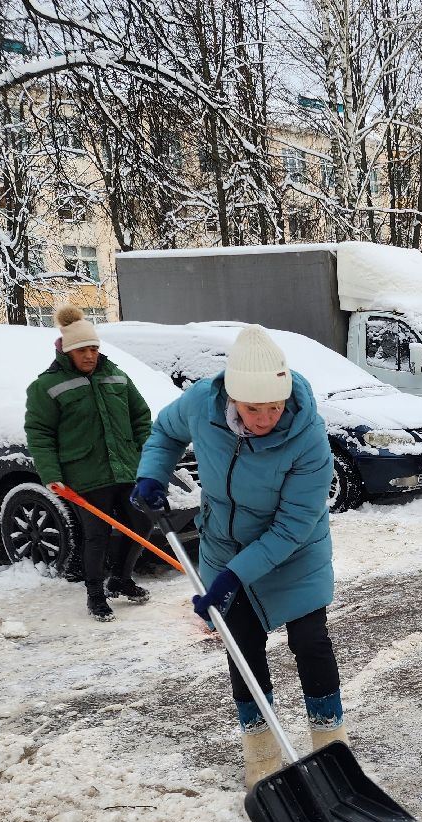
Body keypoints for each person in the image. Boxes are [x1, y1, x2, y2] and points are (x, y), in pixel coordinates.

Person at [130, 325, 342, 789]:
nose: (266, 418)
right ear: (231, 397)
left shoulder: (309, 438)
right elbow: (165, 433)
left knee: (310, 643)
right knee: (242, 647)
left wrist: (232, 577)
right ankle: (262, 757)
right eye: (253, 409)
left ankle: (331, 752)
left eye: (274, 407)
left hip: (295, 551)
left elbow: (292, 526)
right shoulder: (201, 406)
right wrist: (151, 475)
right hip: (224, 544)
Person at [24, 304, 152, 622]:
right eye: (83, 350)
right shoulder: (46, 386)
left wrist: (145, 454)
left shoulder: (116, 376)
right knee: (97, 535)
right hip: (85, 474)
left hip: (125, 468)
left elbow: (141, 416)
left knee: (142, 524)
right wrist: (51, 474)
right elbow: (39, 433)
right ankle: (95, 595)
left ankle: (120, 579)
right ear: (68, 351)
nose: (90, 355)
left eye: (94, 348)